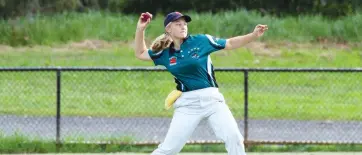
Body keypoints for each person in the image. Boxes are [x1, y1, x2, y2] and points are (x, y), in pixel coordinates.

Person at [134, 11, 268, 155]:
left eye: (185, 23)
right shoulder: (165, 52)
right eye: (178, 24)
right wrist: (140, 29)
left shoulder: (201, 41)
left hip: (212, 100)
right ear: (168, 29)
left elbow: (229, 43)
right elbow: (141, 53)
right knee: (170, 149)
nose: (183, 26)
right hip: (187, 104)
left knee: (234, 138)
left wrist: (253, 35)